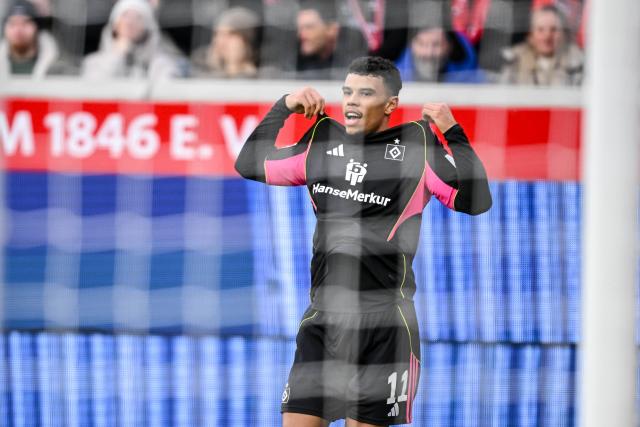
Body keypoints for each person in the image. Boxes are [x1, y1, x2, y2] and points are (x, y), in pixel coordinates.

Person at [235, 56, 492, 426]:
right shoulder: (322, 143)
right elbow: (249, 163)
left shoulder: (418, 150)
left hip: (386, 328)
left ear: (391, 105)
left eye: (366, 93)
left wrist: (452, 133)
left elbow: (476, 201)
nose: (352, 101)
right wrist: (285, 105)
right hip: (323, 322)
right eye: (348, 91)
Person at [81, 0, 182, 80]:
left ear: (147, 26)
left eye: (137, 17)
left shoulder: (162, 64)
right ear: (115, 24)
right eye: (125, 16)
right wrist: (117, 55)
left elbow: (166, 92)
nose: (130, 22)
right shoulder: (93, 63)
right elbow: (94, 89)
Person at [499, 4, 583, 85]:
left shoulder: (578, 64)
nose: (547, 36)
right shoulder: (514, 62)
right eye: (540, 30)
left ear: (564, 33)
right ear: (530, 34)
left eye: (553, 29)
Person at [0, 0, 72, 77]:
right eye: (13, 23)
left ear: (37, 27)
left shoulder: (60, 69)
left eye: (26, 22)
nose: (18, 30)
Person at [396, 25, 485, 83]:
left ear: (450, 46)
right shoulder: (394, 81)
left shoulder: (473, 81)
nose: (429, 53)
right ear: (411, 45)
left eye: (437, 44)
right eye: (421, 44)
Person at [191, 6, 259, 78]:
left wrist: (236, 67)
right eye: (217, 34)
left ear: (246, 40)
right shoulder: (199, 60)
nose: (220, 41)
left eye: (231, 34)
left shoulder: (265, 68)